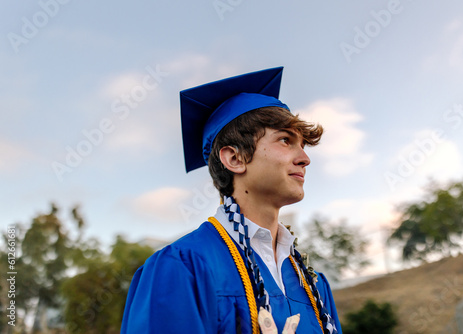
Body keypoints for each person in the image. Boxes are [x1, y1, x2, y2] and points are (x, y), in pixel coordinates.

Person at [121, 67, 343, 334]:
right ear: (234, 159)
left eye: (303, 146)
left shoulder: (314, 286)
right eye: (285, 140)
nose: (304, 159)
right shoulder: (181, 268)